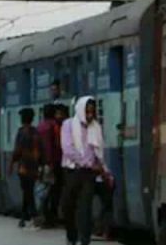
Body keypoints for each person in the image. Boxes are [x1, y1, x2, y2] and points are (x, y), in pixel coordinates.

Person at [61, 96, 111, 245]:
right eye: (87, 112)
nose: (90, 115)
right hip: (72, 171)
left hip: (89, 174)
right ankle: (71, 236)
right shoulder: (68, 125)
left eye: (92, 112)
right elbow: (68, 148)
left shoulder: (96, 128)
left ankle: (85, 240)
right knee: (67, 206)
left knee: (85, 207)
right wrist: (84, 162)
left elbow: (99, 152)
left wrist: (105, 171)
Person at [10, 107, 41, 229]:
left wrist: (12, 163)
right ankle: (23, 217)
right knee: (28, 191)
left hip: (24, 166)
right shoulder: (35, 132)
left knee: (27, 192)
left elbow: (18, 150)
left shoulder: (22, 132)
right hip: (34, 166)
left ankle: (33, 215)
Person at [37, 104, 64, 227]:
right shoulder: (54, 126)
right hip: (54, 163)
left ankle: (43, 216)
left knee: (44, 190)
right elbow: (57, 145)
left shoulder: (40, 126)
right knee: (54, 191)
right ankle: (51, 217)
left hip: (42, 163)